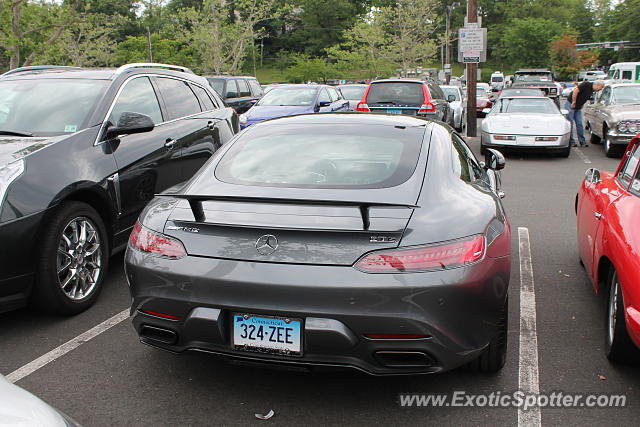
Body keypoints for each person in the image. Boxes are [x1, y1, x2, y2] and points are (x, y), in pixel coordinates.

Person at [566, 79, 605, 147]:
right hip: (571, 104)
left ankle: (582, 141)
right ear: (598, 85)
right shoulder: (586, 84)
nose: (600, 89)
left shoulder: (592, 90)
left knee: (579, 123)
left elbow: (584, 97)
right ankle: (571, 141)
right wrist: (574, 102)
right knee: (570, 123)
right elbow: (575, 91)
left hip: (578, 107)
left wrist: (581, 104)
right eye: (601, 87)